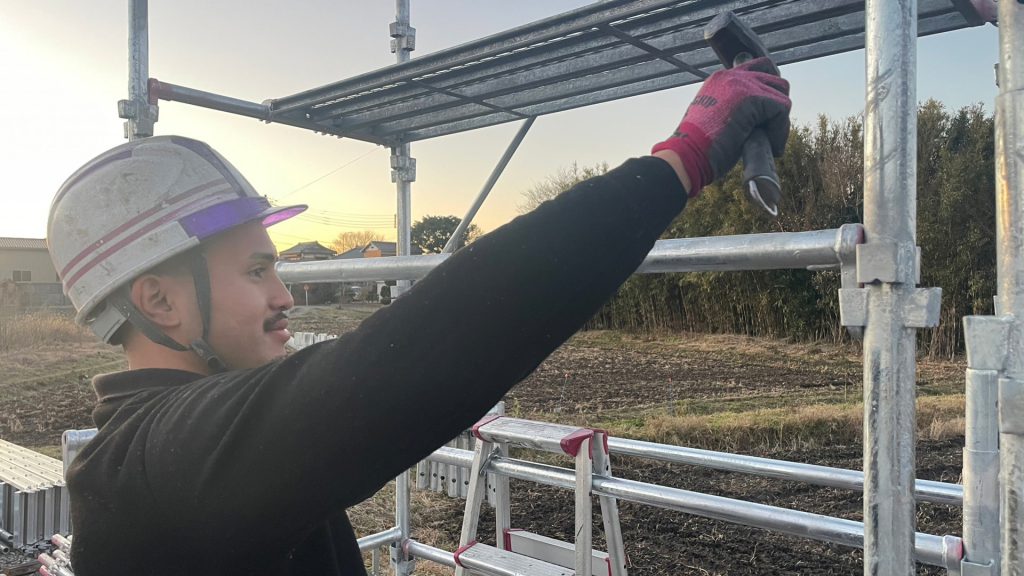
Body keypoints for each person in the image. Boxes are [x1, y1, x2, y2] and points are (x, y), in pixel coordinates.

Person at [47, 58, 790, 575]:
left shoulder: (179, 456)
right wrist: (684, 158)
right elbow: (421, 351)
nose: (284, 296)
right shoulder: (156, 465)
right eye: (254, 271)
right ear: (160, 302)